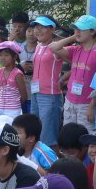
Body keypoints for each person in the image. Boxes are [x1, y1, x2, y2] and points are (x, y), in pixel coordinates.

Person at [51, 14, 96, 132]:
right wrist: (73, 37)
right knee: (69, 137)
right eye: (75, 29)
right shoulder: (75, 50)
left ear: (93, 31)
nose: (77, 32)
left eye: (81, 29)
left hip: (86, 104)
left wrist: (92, 106)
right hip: (70, 101)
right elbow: (53, 48)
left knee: (85, 138)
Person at [29, 16, 63, 146]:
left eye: (42, 27)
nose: (38, 30)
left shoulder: (56, 47)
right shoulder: (38, 46)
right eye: (36, 27)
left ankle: (50, 164)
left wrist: (64, 78)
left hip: (50, 95)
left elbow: (74, 61)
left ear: (52, 29)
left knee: (48, 135)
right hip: (35, 92)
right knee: (36, 131)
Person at [0, 41, 28, 118]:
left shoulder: (17, 74)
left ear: (15, 57)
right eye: (0, 55)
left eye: (6, 55)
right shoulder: (0, 71)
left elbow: (24, 96)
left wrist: (14, 103)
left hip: (14, 111)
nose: (2, 58)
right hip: (0, 109)